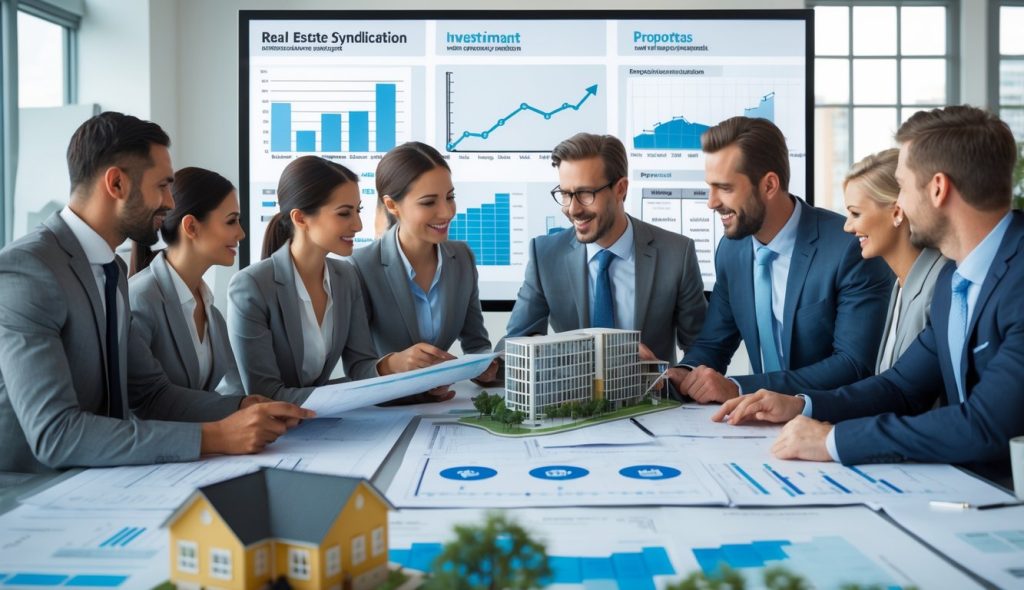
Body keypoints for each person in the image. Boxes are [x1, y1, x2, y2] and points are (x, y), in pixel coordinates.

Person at [714, 106, 1024, 484]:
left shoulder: (1015, 279)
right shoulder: (955, 279)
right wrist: (801, 404)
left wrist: (834, 440)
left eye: (904, 186)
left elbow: (985, 425)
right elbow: (900, 385)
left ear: (938, 189)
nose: (901, 204)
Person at [0, 112, 312, 473]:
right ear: (116, 184)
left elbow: (151, 393)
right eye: (162, 185)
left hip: (103, 481)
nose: (169, 202)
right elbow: (56, 434)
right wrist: (215, 437)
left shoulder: (109, 269)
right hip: (31, 497)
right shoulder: (28, 270)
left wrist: (243, 408)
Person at [668, 116, 893, 402]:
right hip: (758, 426)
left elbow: (853, 365)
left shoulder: (848, 248)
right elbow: (714, 344)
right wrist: (683, 373)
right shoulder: (731, 250)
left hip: (828, 424)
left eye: (725, 188)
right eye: (710, 187)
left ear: (769, 185)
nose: (711, 202)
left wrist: (739, 388)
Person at [499, 132, 707, 364]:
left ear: (620, 189)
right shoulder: (545, 255)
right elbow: (514, 342)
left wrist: (673, 376)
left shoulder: (677, 253)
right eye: (566, 194)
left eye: (585, 193)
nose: (573, 209)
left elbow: (701, 348)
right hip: (572, 398)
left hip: (650, 396)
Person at [228, 156, 417, 405]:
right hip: (252, 432)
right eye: (344, 213)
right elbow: (266, 395)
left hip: (312, 425)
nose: (358, 225)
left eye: (358, 211)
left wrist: (393, 368)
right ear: (300, 218)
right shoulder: (250, 286)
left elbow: (360, 368)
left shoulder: (346, 277)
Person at [349, 142, 498, 403]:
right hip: (381, 417)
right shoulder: (359, 267)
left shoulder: (461, 257)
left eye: (450, 197)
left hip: (439, 409)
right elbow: (356, 370)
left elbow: (477, 345)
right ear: (392, 205)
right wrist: (394, 364)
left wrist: (482, 368)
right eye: (429, 202)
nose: (447, 212)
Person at [129, 167, 246, 395]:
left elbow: (232, 391)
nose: (241, 233)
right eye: (231, 221)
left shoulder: (212, 313)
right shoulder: (140, 300)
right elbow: (143, 406)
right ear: (191, 227)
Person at [842, 149, 948, 373]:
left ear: (897, 213)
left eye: (856, 214)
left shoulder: (939, 287)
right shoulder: (899, 284)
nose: (847, 227)